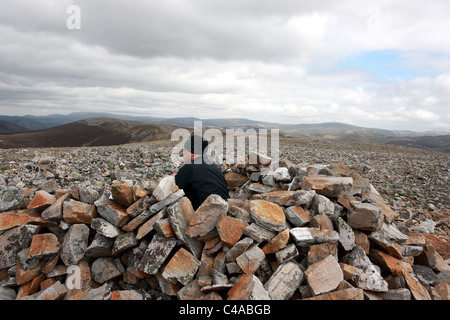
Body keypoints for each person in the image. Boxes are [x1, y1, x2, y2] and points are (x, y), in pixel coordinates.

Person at [173, 135, 229, 210]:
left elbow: (172, 191)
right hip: (226, 211)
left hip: (203, 215)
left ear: (191, 152)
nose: (183, 154)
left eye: (184, 150)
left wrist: (173, 178)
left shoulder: (188, 168)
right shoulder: (215, 168)